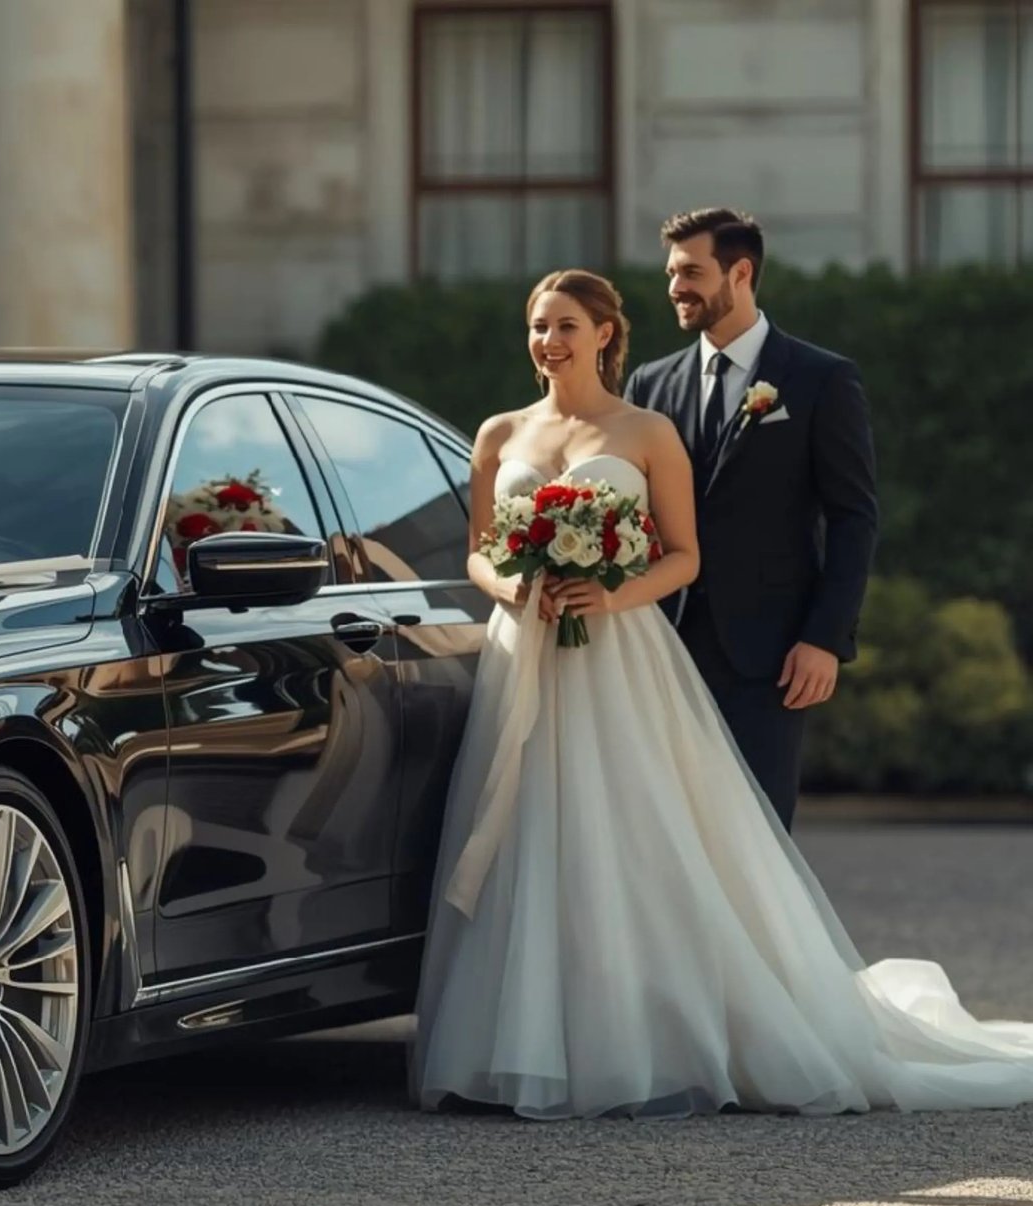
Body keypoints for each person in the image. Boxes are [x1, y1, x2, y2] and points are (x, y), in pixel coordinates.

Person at [410, 268, 1033, 1119]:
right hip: (524, 651)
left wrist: (607, 591)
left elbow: (682, 557)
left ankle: (640, 1037)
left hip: (614, 656)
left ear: (603, 334)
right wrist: (513, 585)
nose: (547, 341)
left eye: (563, 325)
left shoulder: (647, 430)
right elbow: (479, 550)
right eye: (536, 326)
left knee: (623, 832)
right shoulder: (498, 432)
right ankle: (521, 1045)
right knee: (524, 824)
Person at [622, 208, 877, 829]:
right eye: (670, 272)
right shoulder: (649, 385)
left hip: (770, 656)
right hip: (660, 647)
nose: (674, 287)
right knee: (665, 833)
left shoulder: (820, 378)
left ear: (740, 272)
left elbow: (853, 517)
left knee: (757, 834)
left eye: (690, 271)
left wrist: (824, 638)